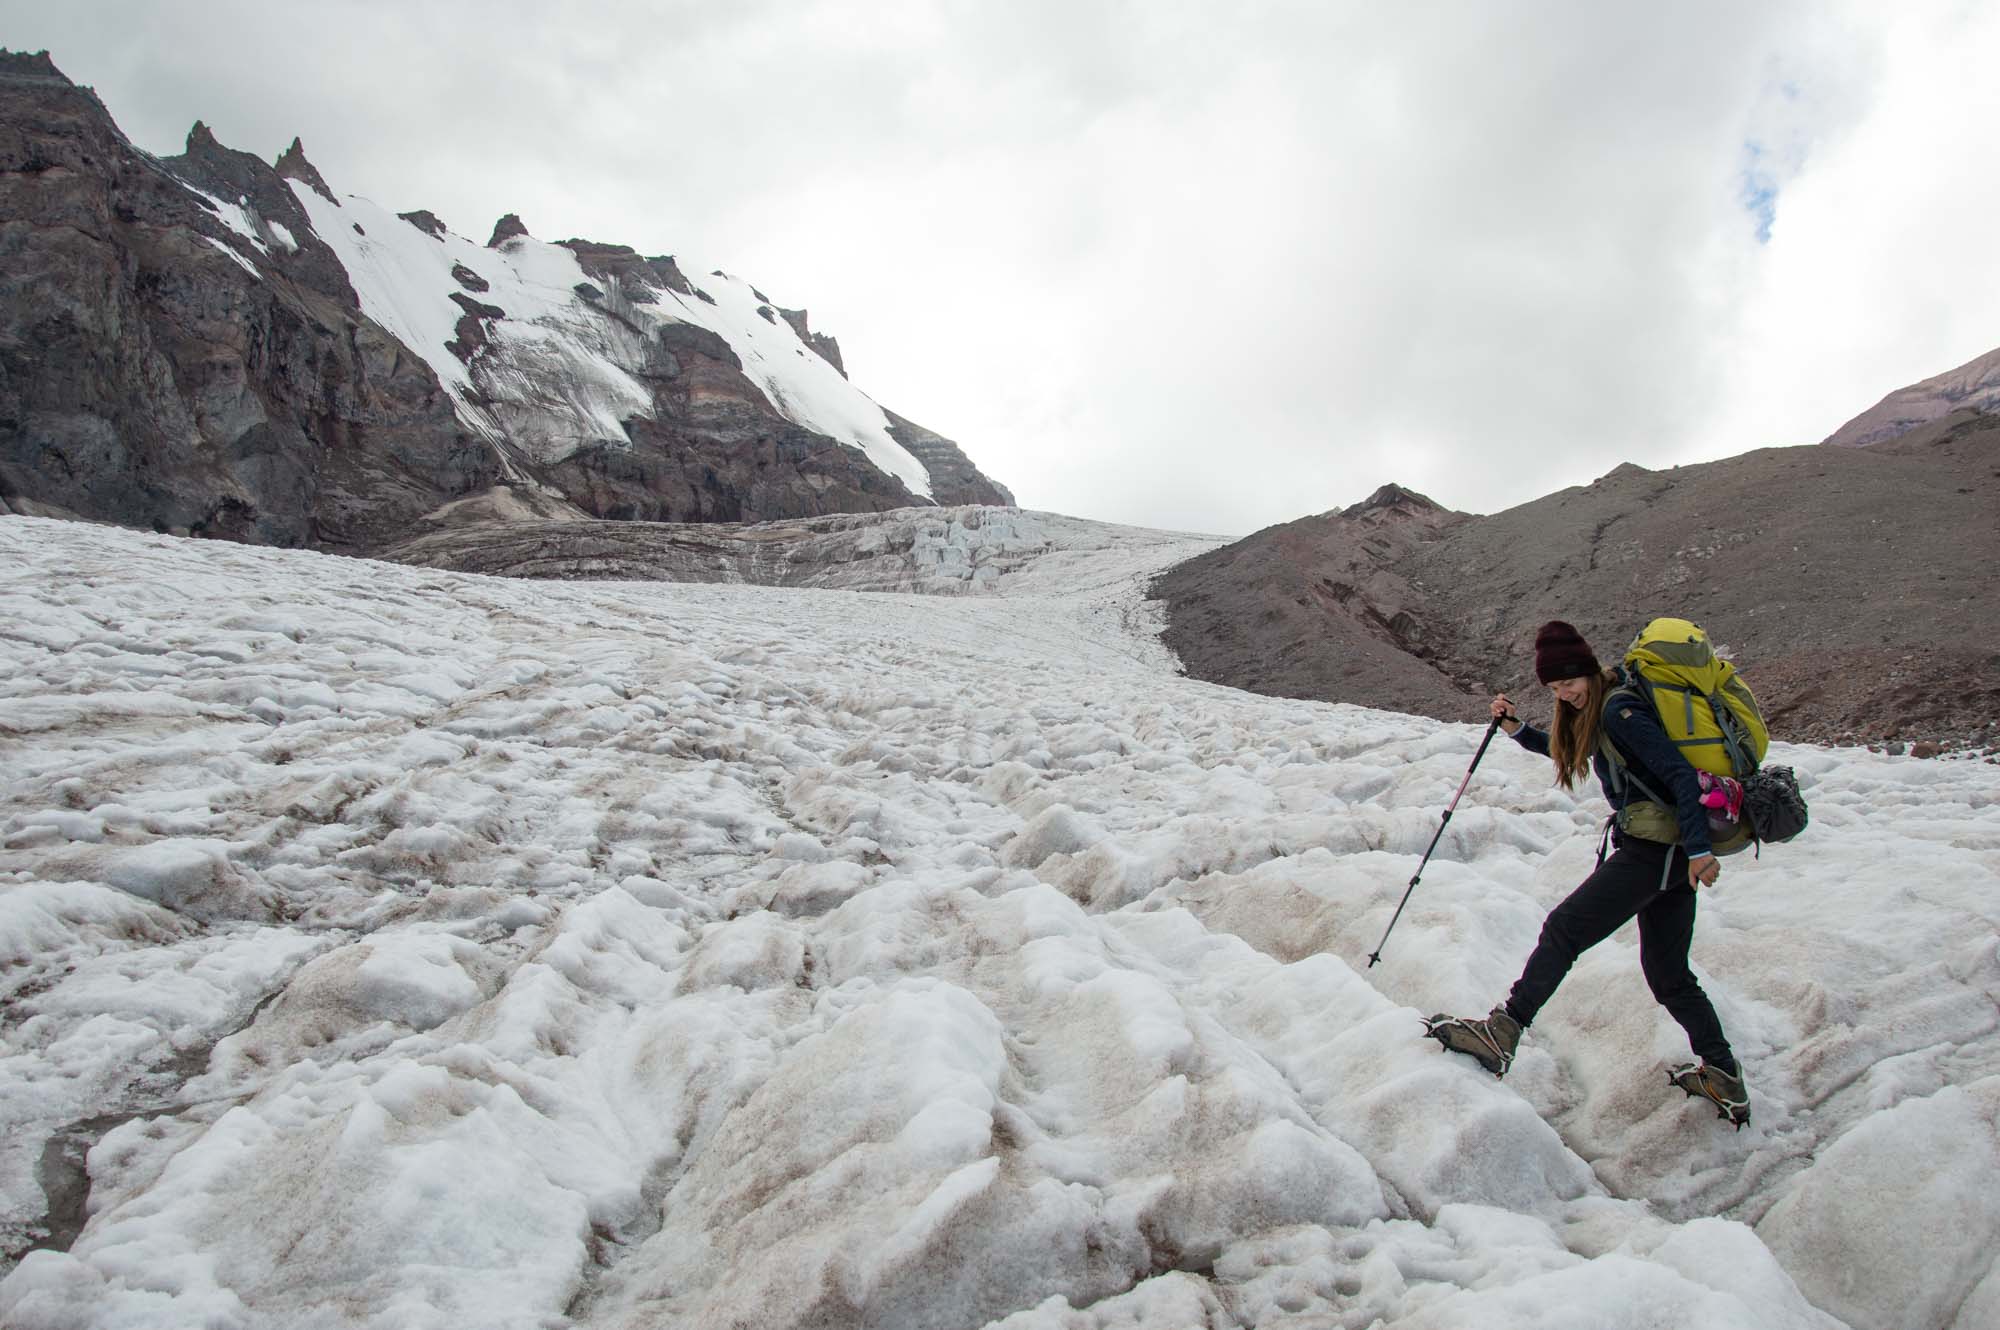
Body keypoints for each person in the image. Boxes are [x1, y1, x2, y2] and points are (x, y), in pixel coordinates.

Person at [1424, 620, 1749, 1126]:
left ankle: (1502, 1031)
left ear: (1588, 670)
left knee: (1564, 929)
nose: (1565, 694)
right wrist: (1515, 729)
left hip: (1655, 851)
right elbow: (1567, 748)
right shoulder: (1600, 708)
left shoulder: (1620, 710)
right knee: (1670, 976)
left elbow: (1681, 775)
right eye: (1554, 688)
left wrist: (1702, 850)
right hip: (1665, 853)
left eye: (1568, 682)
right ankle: (1724, 1075)